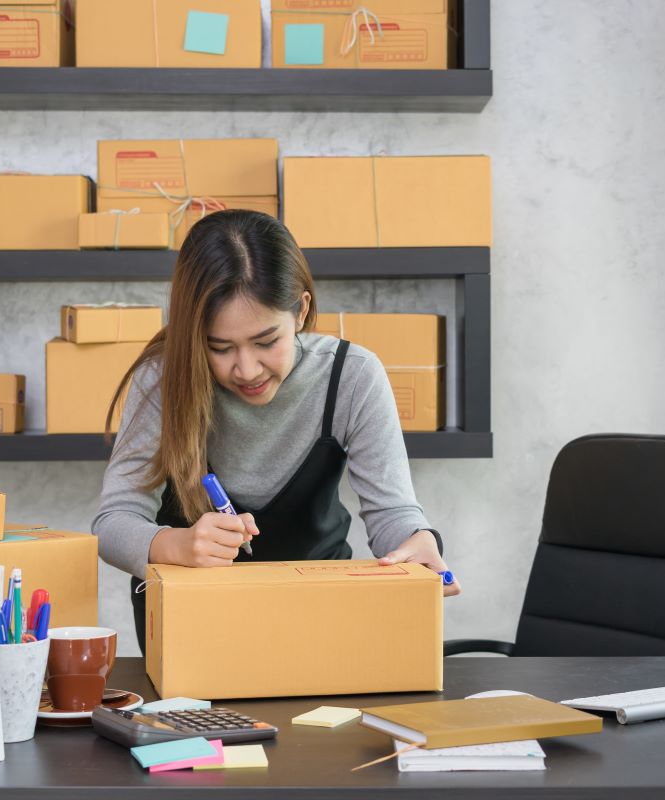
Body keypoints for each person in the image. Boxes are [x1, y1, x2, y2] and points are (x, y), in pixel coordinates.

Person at [92, 210, 459, 649]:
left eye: (267, 342)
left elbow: (391, 512)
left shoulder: (352, 375)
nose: (246, 369)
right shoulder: (162, 378)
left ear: (301, 310)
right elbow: (112, 524)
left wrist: (415, 543)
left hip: (318, 616)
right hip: (192, 624)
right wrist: (178, 545)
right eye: (220, 347)